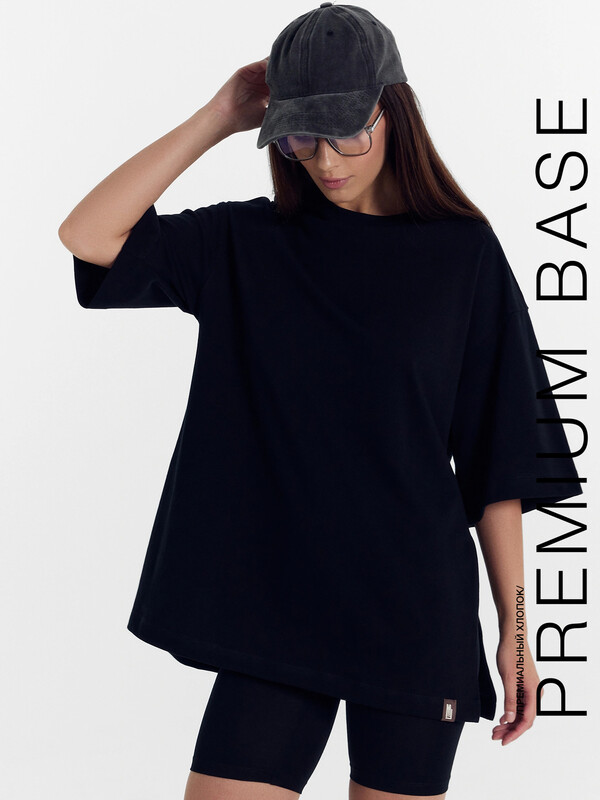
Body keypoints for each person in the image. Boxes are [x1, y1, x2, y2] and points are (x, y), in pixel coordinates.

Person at [58, 4, 584, 799]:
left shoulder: (463, 255)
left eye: (346, 134)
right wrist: (219, 116)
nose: (325, 161)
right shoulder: (247, 244)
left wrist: (517, 634)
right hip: (275, 611)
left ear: (392, 110)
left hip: (414, 616)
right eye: (300, 138)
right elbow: (88, 236)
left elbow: (496, 466)